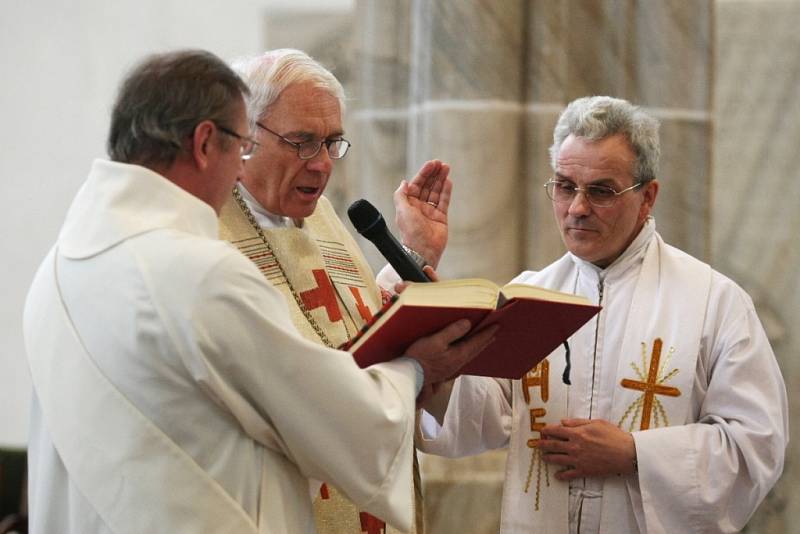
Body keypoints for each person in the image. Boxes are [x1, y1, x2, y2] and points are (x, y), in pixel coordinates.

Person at [23, 49, 496, 534]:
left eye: (331, 143)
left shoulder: (61, 267)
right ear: (207, 143)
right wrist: (417, 370)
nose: (241, 162)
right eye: (242, 144)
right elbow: (339, 419)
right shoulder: (197, 271)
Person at [417, 96, 788, 533]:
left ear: (647, 196)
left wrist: (635, 455)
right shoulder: (528, 297)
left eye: (601, 191)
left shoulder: (713, 302)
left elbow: (756, 447)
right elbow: (481, 418)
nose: (576, 207)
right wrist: (438, 370)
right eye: (564, 185)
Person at [220, 48, 450, 534]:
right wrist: (417, 369)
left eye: (332, 143)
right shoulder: (210, 233)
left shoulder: (320, 217)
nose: (322, 165)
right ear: (244, 135)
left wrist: (416, 253)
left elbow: (346, 326)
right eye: (302, 142)